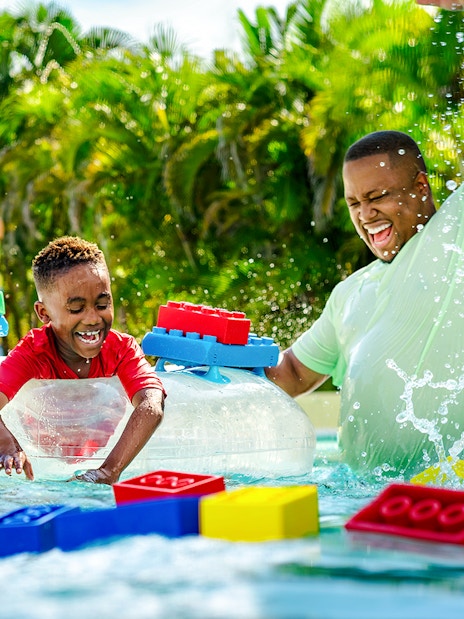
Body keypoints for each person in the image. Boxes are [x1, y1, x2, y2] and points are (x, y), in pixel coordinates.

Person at [266, 130, 464, 478]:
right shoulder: (349, 294)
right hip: (365, 501)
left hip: (447, 501)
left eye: (378, 196)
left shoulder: (454, 237)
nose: (366, 215)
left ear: (421, 187)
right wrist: (223, 359)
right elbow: (293, 373)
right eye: (354, 203)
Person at [0, 236, 166, 484]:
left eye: (102, 304)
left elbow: (152, 404)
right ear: (44, 313)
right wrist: (7, 443)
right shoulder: (34, 352)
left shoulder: (121, 349)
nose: (92, 319)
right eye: (76, 309)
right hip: (46, 460)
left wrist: (108, 471)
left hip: (104, 453)